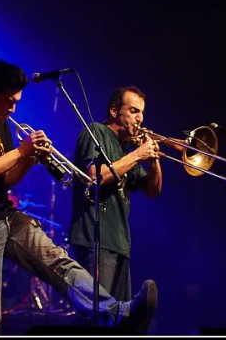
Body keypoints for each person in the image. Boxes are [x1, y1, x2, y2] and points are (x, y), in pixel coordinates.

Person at [0, 59, 157, 335]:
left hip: (5, 216)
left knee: (61, 263)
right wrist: (22, 152)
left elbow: (5, 180)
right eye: (9, 102)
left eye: (17, 102)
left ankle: (116, 312)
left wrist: (31, 159)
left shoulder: (0, 124)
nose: (13, 109)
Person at [69, 85, 162, 306]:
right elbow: (93, 177)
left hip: (119, 243)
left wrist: (154, 160)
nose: (140, 118)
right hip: (95, 237)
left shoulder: (125, 152)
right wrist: (138, 155)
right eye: (133, 111)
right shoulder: (95, 132)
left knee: (115, 319)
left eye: (141, 112)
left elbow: (153, 190)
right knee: (95, 314)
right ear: (114, 111)